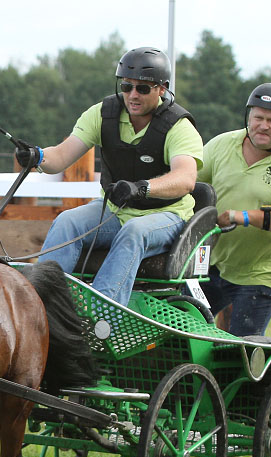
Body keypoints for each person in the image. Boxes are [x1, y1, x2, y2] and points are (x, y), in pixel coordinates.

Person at [16, 46, 204, 308]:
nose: (132, 95)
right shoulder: (102, 114)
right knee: (67, 221)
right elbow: (60, 156)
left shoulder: (179, 126)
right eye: (127, 86)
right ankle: (39, 308)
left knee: (134, 231)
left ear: (162, 88)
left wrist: (142, 188)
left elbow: (185, 179)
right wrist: (36, 157)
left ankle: (102, 316)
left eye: (143, 88)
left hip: (167, 215)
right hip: (115, 210)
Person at [196, 83, 271, 336]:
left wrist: (242, 217)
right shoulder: (222, 145)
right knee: (181, 327)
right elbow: (188, 181)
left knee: (242, 348)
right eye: (258, 118)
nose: (263, 125)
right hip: (214, 264)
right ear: (248, 117)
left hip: (262, 274)